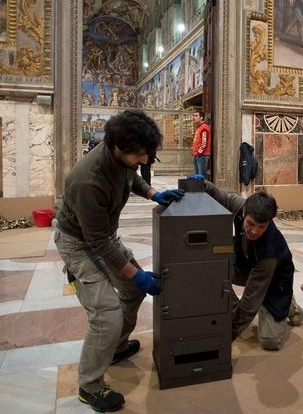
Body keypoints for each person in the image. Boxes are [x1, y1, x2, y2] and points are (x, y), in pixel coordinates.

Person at [54, 111, 184, 412]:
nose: (144, 160)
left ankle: (115, 348)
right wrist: (136, 275)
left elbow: (131, 178)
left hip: (103, 235)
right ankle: (90, 387)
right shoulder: (87, 181)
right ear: (117, 148)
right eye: (140, 154)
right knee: (107, 314)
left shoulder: (121, 157)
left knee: (131, 292)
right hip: (78, 243)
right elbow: (97, 243)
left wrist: (154, 193)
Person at [198, 177, 303, 350]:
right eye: (251, 224)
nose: (254, 231)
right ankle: (234, 310)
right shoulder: (241, 206)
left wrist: (226, 337)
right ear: (244, 212)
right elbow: (222, 196)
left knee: (269, 342)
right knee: (213, 269)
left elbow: (249, 302)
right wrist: (201, 185)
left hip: (274, 281)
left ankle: (288, 302)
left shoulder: (271, 251)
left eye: (262, 226)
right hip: (246, 266)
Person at [192, 111, 211, 179]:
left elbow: (204, 142)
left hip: (202, 155)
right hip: (196, 154)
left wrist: (199, 152)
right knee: (197, 175)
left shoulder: (204, 127)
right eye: (194, 115)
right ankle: (198, 188)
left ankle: (203, 189)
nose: (194, 117)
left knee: (201, 175)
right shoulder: (198, 127)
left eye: (196, 116)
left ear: (201, 117)